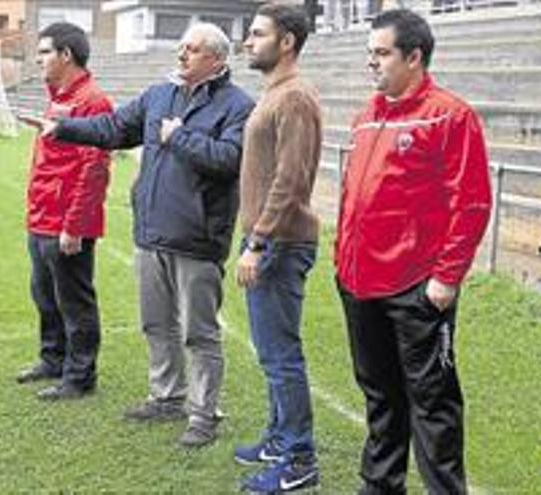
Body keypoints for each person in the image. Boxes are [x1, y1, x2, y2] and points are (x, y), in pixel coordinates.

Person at [28, 23, 255, 447]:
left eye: (192, 49)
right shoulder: (159, 94)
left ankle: (203, 415)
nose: (182, 54)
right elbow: (113, 128)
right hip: (152, 233)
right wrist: (64, 129)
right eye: (182, 47)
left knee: (199, 332)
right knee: (156, 324)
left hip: (197, 238)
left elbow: (230, 160)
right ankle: (166, 396)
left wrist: (179, 136)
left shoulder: (237, 105)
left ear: (217, 60)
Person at [335, 9, 492, 494]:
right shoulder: (367, 116)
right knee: (379, 393)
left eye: (381, 53)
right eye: (369, 54)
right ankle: (381, 485)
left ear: (414, 56)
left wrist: (446, 278)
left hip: (415, 288)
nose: (372, 64)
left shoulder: (449, 114)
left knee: (432, 400)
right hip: (359, 283)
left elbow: (471, 202)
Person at [233, 4, 324, 493]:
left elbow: (290, 180)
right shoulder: (275, 94)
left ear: (286, 41)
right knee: (272, 354)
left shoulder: (294, 98)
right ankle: (277, 437)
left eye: (258, 34)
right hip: (268, 242)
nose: (248, 41)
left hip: (280, 245)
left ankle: (299, 457)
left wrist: (258, 240)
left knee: (280, 356)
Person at [14, 22, 113, 402]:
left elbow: (94, 171)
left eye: (44, 52)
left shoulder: (93, 102)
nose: (38, 60)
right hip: (40, 217)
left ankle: (80, 375)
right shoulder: (57, 96)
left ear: (65, 55)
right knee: (44, 295)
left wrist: (74, 226)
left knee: (75, 300)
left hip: (66, 224)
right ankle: (52, 359)